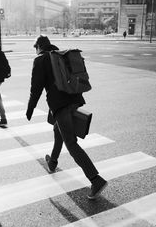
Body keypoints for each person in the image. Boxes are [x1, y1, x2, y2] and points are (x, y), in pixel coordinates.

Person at [26, 35, 108, 200]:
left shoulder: (40, 60)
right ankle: (52, 162)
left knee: (70, 143)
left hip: (60, 105)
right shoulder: (59, 55)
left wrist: (30, 109)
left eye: (36, 48)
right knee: (59, 132)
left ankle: (95, 179)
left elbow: (36, 88)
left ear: (38, 47)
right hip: (74, 99)